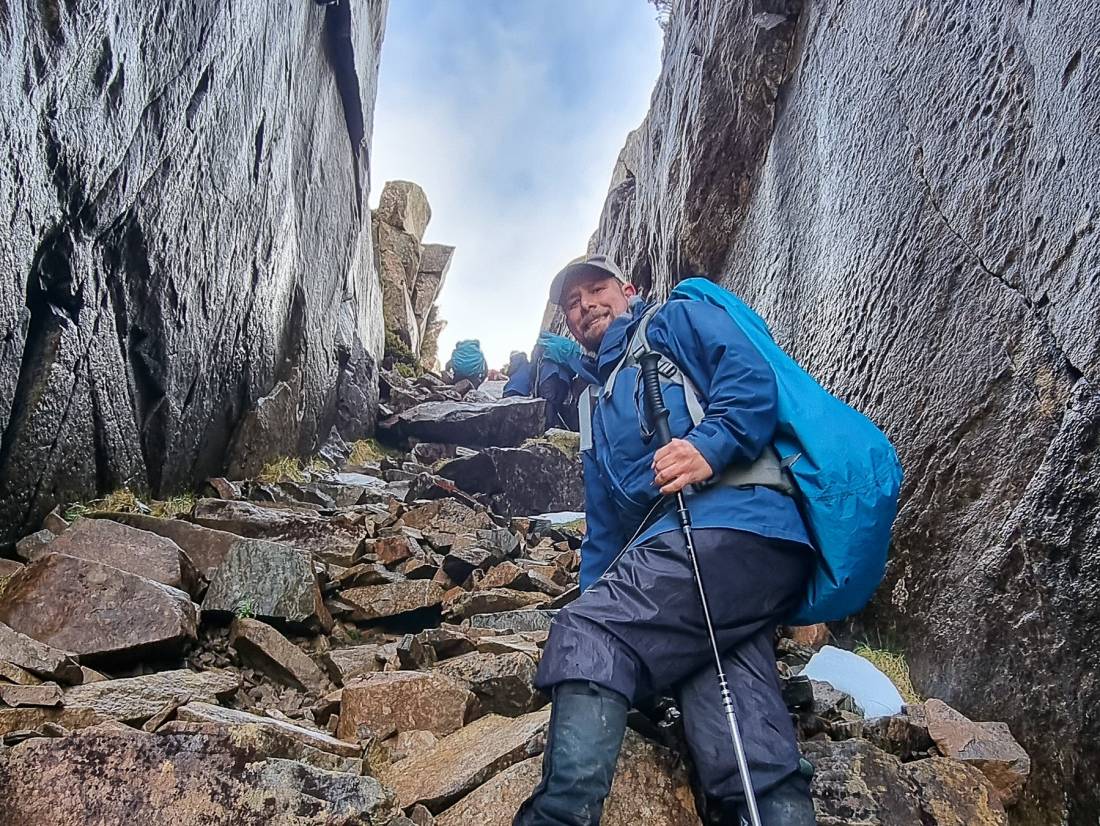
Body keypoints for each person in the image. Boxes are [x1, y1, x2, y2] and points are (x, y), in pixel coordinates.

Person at [513, 254, 818, 825]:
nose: (584, 308)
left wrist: (712, 444)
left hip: (732, 521)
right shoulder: (589, 404)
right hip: (737, 561)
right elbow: (605, 529)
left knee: (590, 634)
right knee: (724, 700)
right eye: (572, 305)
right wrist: (596, 593)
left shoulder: (674, 322)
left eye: (596, 291)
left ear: (628, 291)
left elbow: (749, 378)